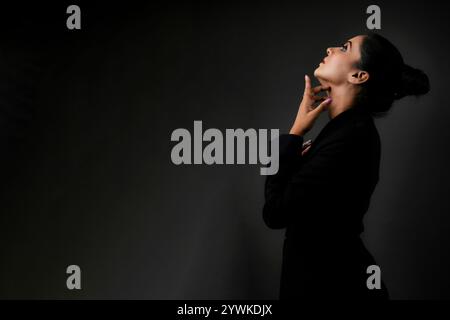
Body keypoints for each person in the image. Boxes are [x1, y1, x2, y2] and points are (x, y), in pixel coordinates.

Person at [262, 32, 430, 300]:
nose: (330, 48)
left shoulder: (351, 136)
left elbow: (275, 213)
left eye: (344, 47)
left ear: (359, 76)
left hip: (332, 285)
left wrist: (295, 133)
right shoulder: (345, 131)